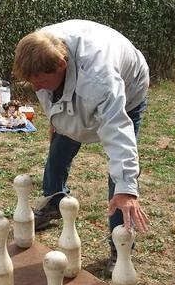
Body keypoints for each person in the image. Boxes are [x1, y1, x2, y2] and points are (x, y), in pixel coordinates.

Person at [13, 19, 150, 262]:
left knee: (118, 178)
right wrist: (58, 122)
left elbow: (118, 133)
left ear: (62, 65)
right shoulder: (39, 49)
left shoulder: (100, 80)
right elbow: (51, 91)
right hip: (85, 76)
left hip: (129, 89)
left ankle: (120, 248)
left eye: (41, 81)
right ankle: (54, 202)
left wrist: (127, 188)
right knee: (59, 150)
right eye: (32, 81)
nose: (36, 87)